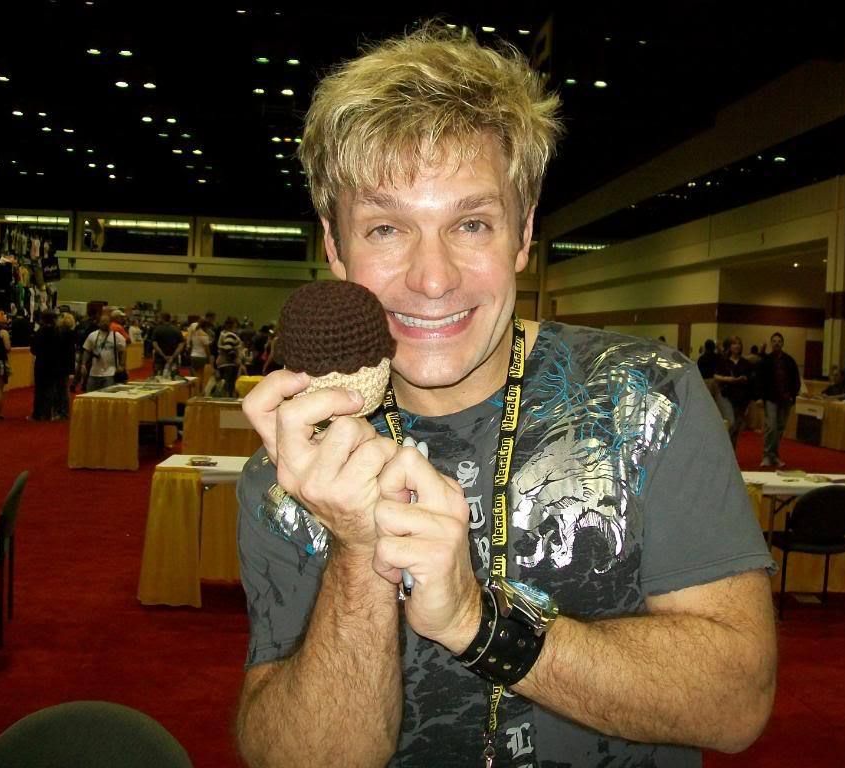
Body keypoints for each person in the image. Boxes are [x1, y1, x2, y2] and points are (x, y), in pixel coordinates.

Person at [235, 26, 775, 768]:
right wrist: (358, 550)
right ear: (334, 246)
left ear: (523, 235)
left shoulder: (646, 398)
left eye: (472, 223)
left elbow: (736, 702)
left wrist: (475, 620)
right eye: (386, 228)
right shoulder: (293, 466)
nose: (433, 278)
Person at [756, 332, 800, 467]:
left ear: (782, 343)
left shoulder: (789, 361)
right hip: (770, 398)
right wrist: (760, 397)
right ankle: (767, 455)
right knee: (771, 427)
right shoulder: (766, 360)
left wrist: (793, 395)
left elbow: (796, 379)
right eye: (774, 341)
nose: (776, 343)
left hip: (786, 398)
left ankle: (774, 455)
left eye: (779, 341)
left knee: (780, 428)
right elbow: (760, 380)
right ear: (771, 343)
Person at [714, 335, 752, 448]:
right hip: (726, 395)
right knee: (731, 422)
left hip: (741, 397)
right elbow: (716, 376)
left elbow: (750, 380)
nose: (737, 346)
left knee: (737, 427)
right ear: (730, 347)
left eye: (739, 344)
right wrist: (730, 379)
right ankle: (722, 446)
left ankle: (731, 452)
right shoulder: (723, 361)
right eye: (734, 344)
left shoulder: (745, 363)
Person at [81, 314, 127, 392]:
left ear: (110, 323)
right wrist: (83, 364)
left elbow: (123, 351)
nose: (105, 323)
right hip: (94, 372)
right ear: (99, 323)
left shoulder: (117, 336)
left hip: (111, 373)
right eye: (102, 321)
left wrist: (122, 365)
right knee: (90, 394)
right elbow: (87, 350)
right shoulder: (92, 335)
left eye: (107, 321)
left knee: (108, 395)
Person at [151, 312, 185, 379]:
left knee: (158, 377)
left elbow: (155, 344)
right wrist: (173, 356)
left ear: (162, 319)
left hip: (159, 358)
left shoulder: (157, 329)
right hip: (173, 358)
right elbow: (181, 344)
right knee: (174, 377)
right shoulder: (176, 329)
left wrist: (163, 355)